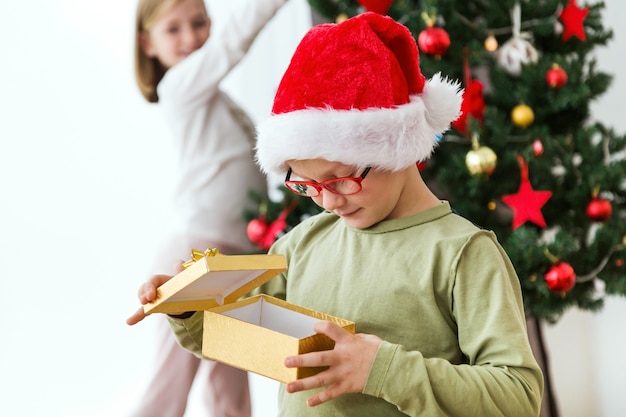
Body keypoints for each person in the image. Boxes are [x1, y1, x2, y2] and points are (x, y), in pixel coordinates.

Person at [128, 11, 544, 417]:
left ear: (394, 147)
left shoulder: (463, 254)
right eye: (307, 186)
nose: (329, 202)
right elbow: (234, 338)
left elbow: (518, 396)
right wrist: (186, 310)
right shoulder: (301, 245)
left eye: (340, 180)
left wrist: (383, 369)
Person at [129, 0, 288, 416]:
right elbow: (231, 43)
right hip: (192, 253)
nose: (190, 38)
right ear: (147, 43)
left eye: (198, 23)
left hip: (232, 257)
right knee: (170, 387)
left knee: (230, 391)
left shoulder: (217, 101)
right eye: (173, 29)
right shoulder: (180, 86)